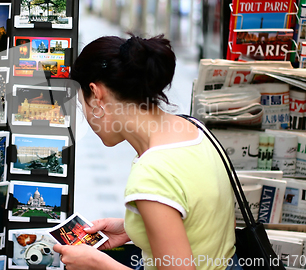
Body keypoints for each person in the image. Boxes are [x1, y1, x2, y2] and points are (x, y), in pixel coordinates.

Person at [53, 35, 238, 270]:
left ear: (96, 94)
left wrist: (97, 264)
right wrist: (135, 228)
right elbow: (209, 222)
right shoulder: (195, 129)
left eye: (83, 105)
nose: (87, 117)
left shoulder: (152, 173)